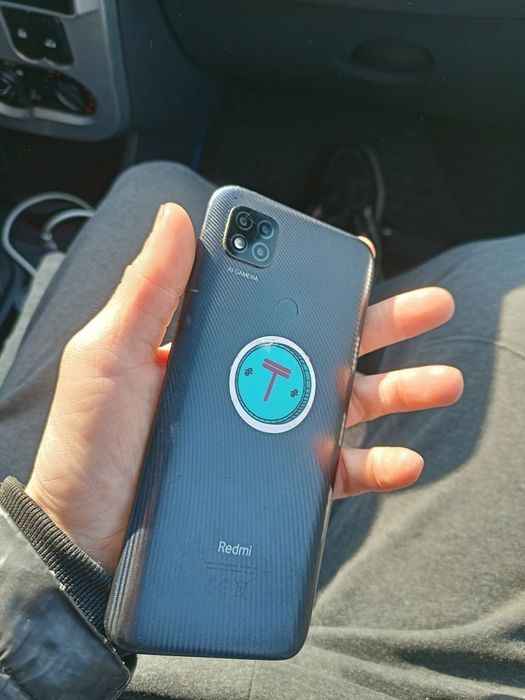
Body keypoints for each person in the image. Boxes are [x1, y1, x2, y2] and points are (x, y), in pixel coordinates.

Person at [0, 162, 523, 700]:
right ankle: (345, 233)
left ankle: (332, 234)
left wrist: (66, 538)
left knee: (157, 182)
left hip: (83, 659)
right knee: (488, 281)